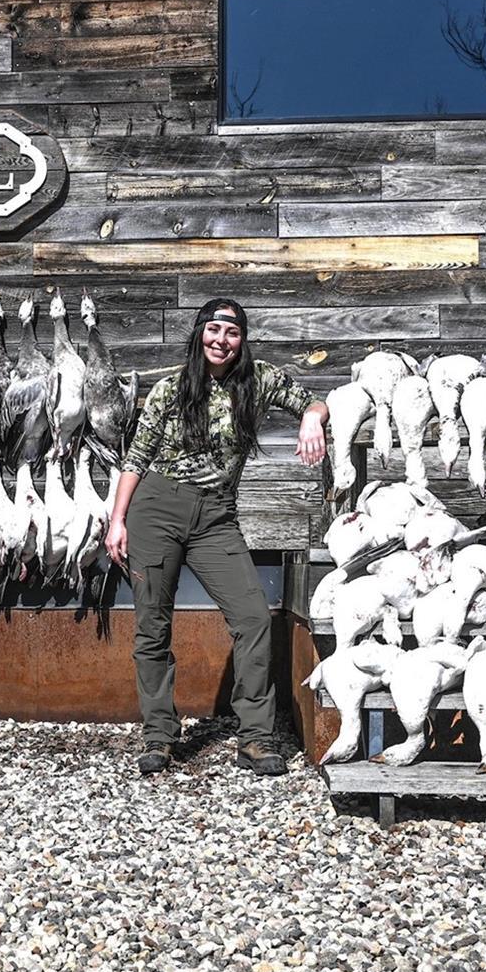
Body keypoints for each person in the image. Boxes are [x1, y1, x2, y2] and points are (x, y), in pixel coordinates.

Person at [104, 298, 330, 778]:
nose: (221, 340)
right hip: (157, 510)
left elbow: (313, 399)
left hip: (216, 519)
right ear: (199, 334)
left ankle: (254, 737)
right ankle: (159, 736)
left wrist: (313, 417)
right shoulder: (171, 388)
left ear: (242, 340)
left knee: (251, 616)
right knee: (153, 625)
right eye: (213, 330)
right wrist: (117, 520)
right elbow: (135, 458)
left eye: (231, 332)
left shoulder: (260, 380)